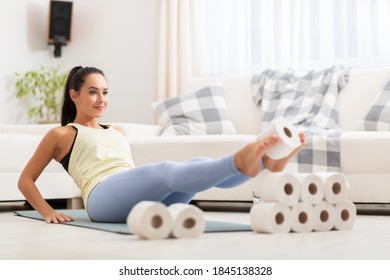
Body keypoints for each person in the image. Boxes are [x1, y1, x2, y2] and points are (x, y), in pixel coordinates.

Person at [18, 66, 305, 224]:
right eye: (92, 92)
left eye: (105, 92)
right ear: (74, 96)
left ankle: (264, 165)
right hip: (102, 198)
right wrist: (47, 211)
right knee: (168, 170)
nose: (101, 99)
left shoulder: (116, 131)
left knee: (191, 172)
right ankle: (240, 162)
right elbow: (26, 180)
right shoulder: (63, 134)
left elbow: (133, 175)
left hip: (132, 195)